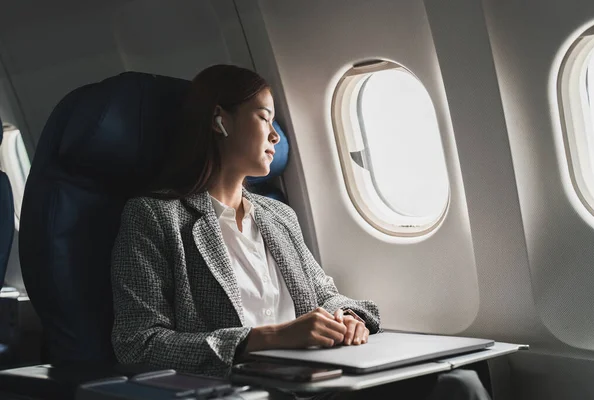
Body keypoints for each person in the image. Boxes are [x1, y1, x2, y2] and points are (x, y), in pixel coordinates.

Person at [110, 64, 491, 399]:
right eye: (264, 118)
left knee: (463, 384)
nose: (277, 137)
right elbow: (139, 344)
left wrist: (345, 318)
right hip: (242, 391)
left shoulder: (278, 216)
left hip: (316, 382)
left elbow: (324, 294)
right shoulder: (155, 217)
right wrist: (267, 338)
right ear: (219, 120)